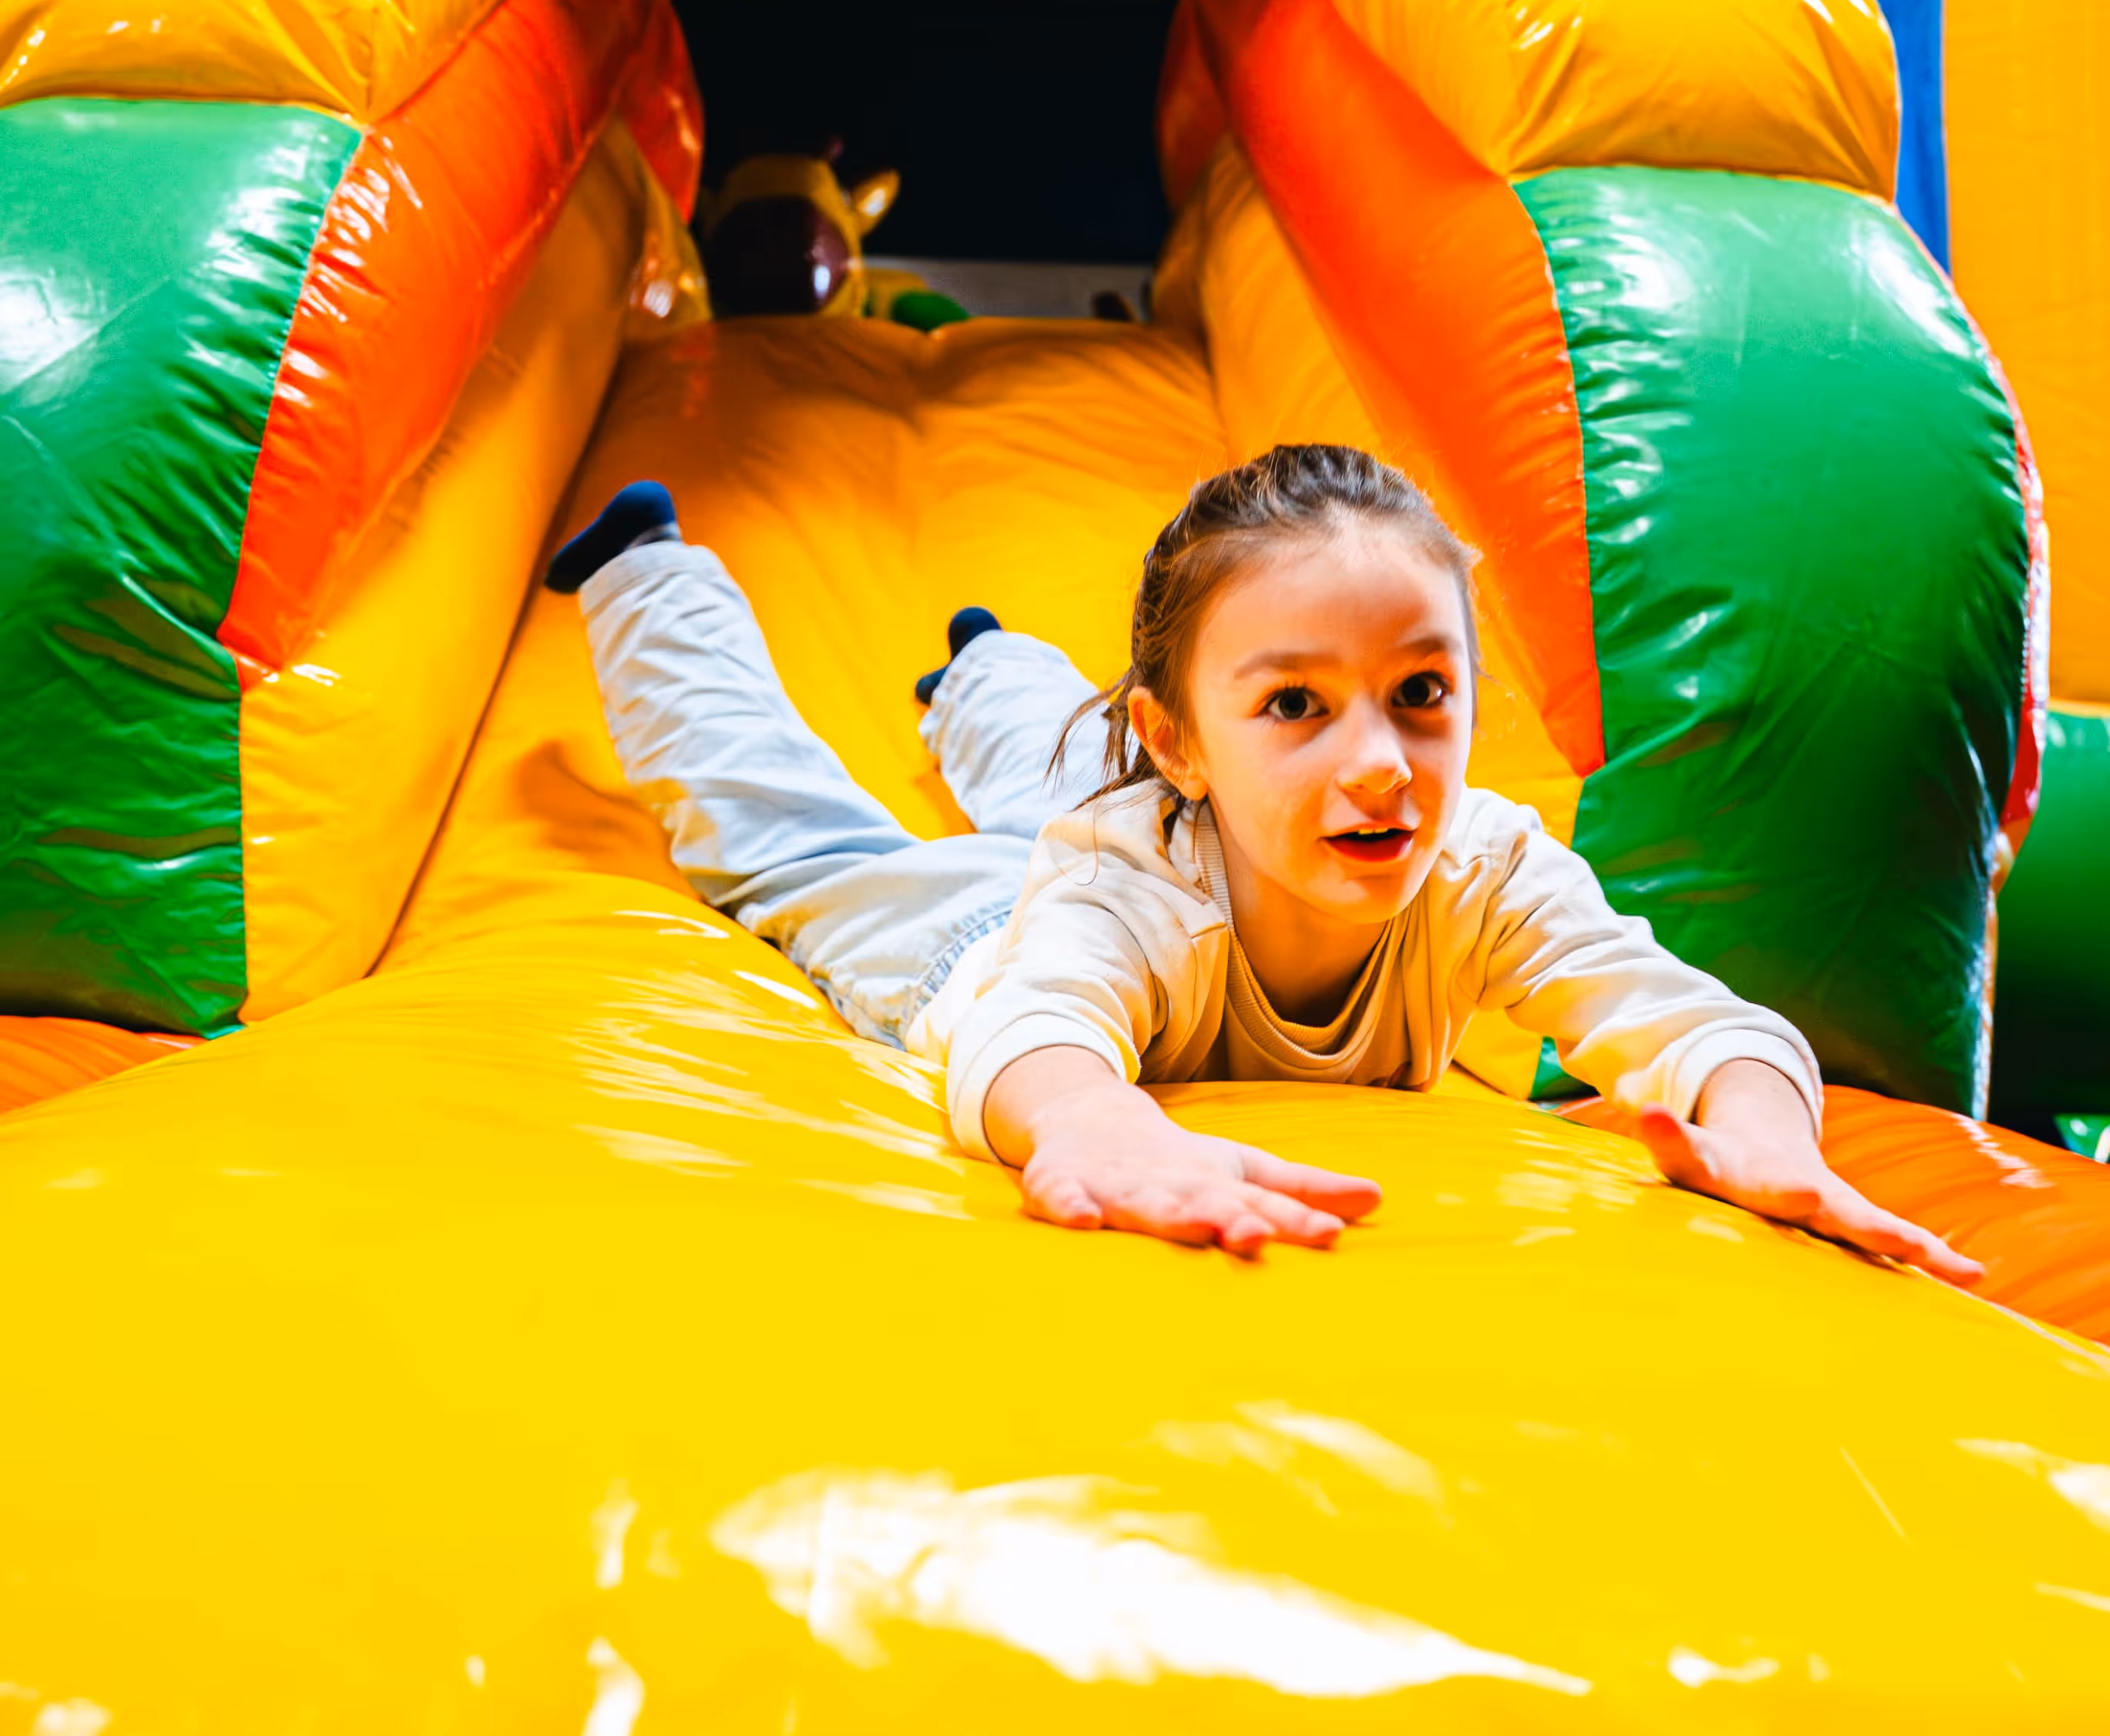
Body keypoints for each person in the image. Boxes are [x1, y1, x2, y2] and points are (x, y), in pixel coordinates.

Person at [547, 444, 1978, 1279]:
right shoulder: (1132, 880)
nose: (1378, 762)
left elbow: (1683, 1017)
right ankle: (649, 574)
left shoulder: (1481, 869)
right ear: (1179, 741)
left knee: (1053, 764)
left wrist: (1763, 1130)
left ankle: (986, 671)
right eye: (1297, 704)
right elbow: (1040, 1027)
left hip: (1134, 833)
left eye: (1422, 694)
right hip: (974, 947)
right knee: (789, 843)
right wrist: (1097, 1129)